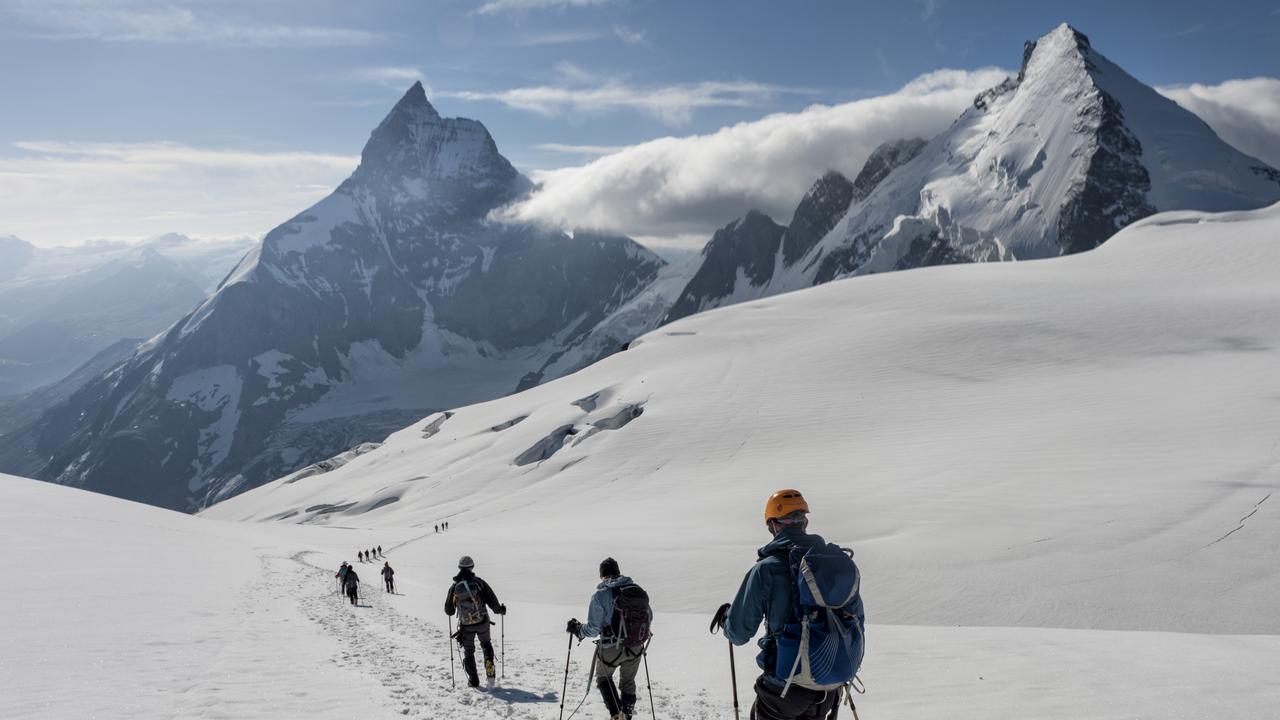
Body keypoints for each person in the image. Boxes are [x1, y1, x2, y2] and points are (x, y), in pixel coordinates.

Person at [711, 489, 865, 720]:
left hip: (784, 690)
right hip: (829, 686)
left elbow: (739, 633)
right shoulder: (833, 565)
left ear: (773, 525)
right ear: (805, 521)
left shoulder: (767, 569)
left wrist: (726, 620)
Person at [567, 558, 652, 720]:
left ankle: (616, 715)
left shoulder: (600, 596)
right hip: (636, 646)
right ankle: (626, 715)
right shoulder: (637, 591)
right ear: (618, 572)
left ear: (602, 576)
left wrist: (578, 629)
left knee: (603, 678)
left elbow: (592, 629)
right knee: (628, 682)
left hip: (611, 647)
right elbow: (650, 617)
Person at [444, 556, 506, 688]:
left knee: (469, 651)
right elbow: (492, 601)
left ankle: (473, 680)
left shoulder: (455, 587)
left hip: (466, 625)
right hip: (482, 621)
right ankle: (490, 674)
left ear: (459, 568)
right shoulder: (479, 583)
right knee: (486, 645)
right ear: (472, 567)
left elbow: (448, 610)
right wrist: (500, 609)